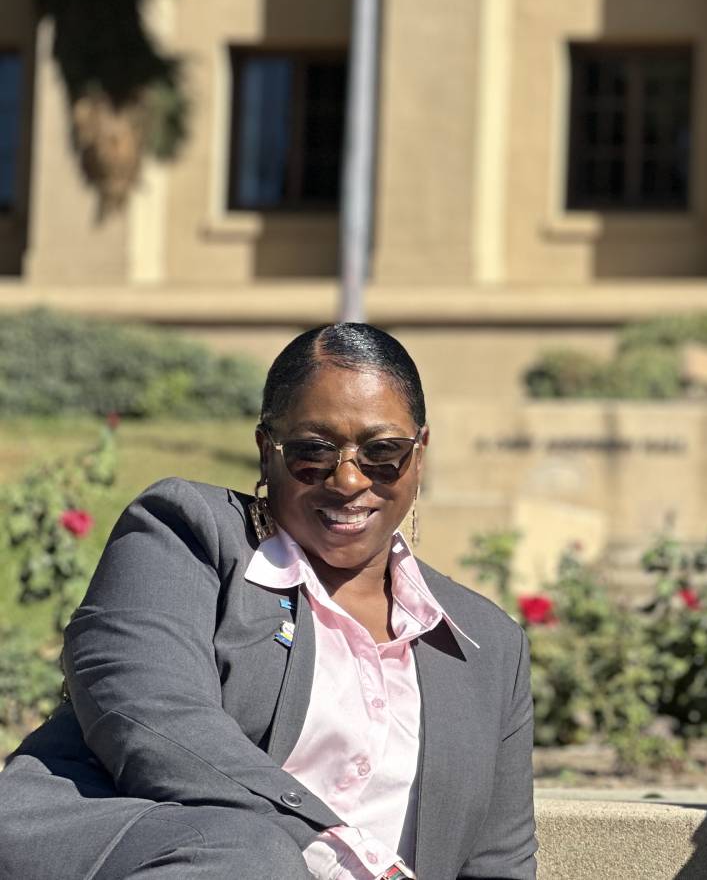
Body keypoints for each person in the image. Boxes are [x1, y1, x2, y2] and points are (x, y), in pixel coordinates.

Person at [0, 324, 538, 880]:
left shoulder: (487, 645)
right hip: (164, 861)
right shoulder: (188, 535)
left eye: (383, 453)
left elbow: (497, 864)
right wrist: (350, 861)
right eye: (313, 452)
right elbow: (150, 722)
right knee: (248, 854)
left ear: (418, 454)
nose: (349, 479)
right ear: (267, 451)